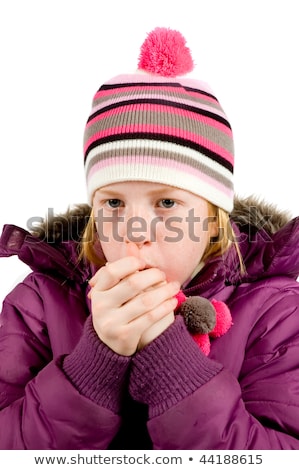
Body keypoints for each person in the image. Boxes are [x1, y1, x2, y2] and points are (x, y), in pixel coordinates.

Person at [0, 26, 298, 451]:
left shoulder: (277, 312)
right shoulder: (39, 304)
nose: (135, 230)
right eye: (114, 204)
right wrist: (91, 369)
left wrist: (173, 365)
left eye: (167, 204)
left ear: (214, 221)